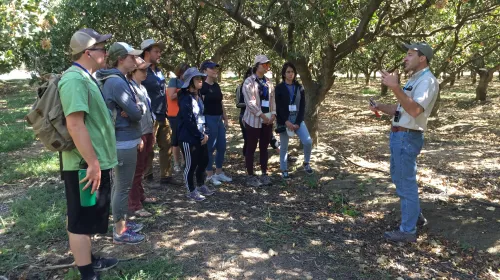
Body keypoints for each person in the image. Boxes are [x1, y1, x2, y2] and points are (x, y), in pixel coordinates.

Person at [59, 28, 118, 280]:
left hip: (93, 161)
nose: (105, 52)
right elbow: (74, 124)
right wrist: (93, 162)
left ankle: (90, 260)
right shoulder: (74, 80)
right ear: (88, 53)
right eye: (101, 48)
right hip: (84, 164)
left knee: (90, 215)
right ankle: (86, 273)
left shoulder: (87, 77)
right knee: (80, 220)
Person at [370, 42, 438, 243]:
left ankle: (407, 231)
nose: (405, 58)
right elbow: (403, 109)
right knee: (399, 178)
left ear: (422, 57)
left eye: (409, 54)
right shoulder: (414, 80)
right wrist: (381, 106)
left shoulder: (427, 81)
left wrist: (395, 87)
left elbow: (416, 110)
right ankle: (415, 217)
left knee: (405, 182)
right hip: (399, 135)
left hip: (408, 137)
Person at [97, 42, 145, 245]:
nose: (135, 60)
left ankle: (121, 222)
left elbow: (131, 111)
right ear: (121, 59)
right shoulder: (116, 83)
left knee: (120, 185)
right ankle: (120, 231)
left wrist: (133, 109)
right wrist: (139, 107)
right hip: (122, 142)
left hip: (124, 139)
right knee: (123, 186)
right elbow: (135, 113)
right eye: (132, 57)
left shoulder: (119, 80)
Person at [140, 39, 181, 186]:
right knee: (148, 147)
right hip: (148, 115)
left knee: (167, 145)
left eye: (160, 52)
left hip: (163, 113)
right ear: (146, 52)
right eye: (156, 52)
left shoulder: (158, 71)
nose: (159, 54)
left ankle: (166, 176)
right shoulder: (140, 69)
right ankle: (147, 176)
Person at [178, 67, 214, 201]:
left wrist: (205, 133)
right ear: (190, 82)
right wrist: (199, 135)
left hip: (201, 135)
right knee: (191, 164)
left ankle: (200, 184)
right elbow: (188, 120)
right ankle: (191, 190)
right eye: (197, 78)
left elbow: (202, 116)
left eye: (201, 78)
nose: (201, 80)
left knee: (203, 161)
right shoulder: (184, 98)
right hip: (188, 137)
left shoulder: (199, 97)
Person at [242, 55, 276, 187]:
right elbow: (250, 103)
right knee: (251, 147)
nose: (267, 66)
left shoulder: (268, 82)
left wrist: (273, 114)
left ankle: (264, 173)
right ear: (257, 66)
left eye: (268, 64)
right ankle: (250, 175)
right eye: (264, 64)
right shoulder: (249, 82)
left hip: (267, 121)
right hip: (253, 120)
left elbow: (272, 100)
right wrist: (262, 115)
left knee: (264, 147)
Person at [275, 62, 314, 180]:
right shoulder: (279, 88)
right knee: (284, 147)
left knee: (308, 142)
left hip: (297, 119)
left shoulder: (299, 87)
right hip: (284, 120)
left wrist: (297, 122)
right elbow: (278, 107)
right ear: (284, 73)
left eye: (292, 72)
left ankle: (306, 163)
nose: (290, 74)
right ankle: (284, 169)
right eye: (288, 72)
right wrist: (286, 121)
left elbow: (302, 106)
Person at [128, 58, 155, 217]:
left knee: (143, 166)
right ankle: (134, 204)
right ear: (133, 71)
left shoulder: (142, 88)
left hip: (147, 130)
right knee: (136, 170)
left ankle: (140, 196)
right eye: (142, 70)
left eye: (146, 70)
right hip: (138, 133)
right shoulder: (129, 89)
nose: (145, 73)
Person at [199, 60, 232, 186]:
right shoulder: (203, 88)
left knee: (222, 146)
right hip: (209, 118)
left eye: (216, 68)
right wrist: (202, 124)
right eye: (211, 68)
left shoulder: (216, 86)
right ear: (205, 71)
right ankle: (209, 174)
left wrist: (226, 118)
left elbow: (220, 102)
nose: (215, 70)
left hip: (219, 119)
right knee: (210, 147)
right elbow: (200, 106)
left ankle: (219, 172)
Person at [236, 68, 281, 157]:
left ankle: (281, 152)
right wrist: (251, 105)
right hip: (246, 116)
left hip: (262, 115)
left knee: (269, 136)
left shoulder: (262, 86)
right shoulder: (241, 87)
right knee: (248, 139)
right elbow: (238, 103)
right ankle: (247, 158)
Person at [166, 62, 189, 172]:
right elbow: (171, 96)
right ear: (180, 72)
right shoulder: (174, 81)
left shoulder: (189, 82)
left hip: (186, 114)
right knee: (176, 139)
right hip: (174, 115)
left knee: (185, 138)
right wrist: (184, 90)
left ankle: (185, 161)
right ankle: (176, 163)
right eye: (185, 71)